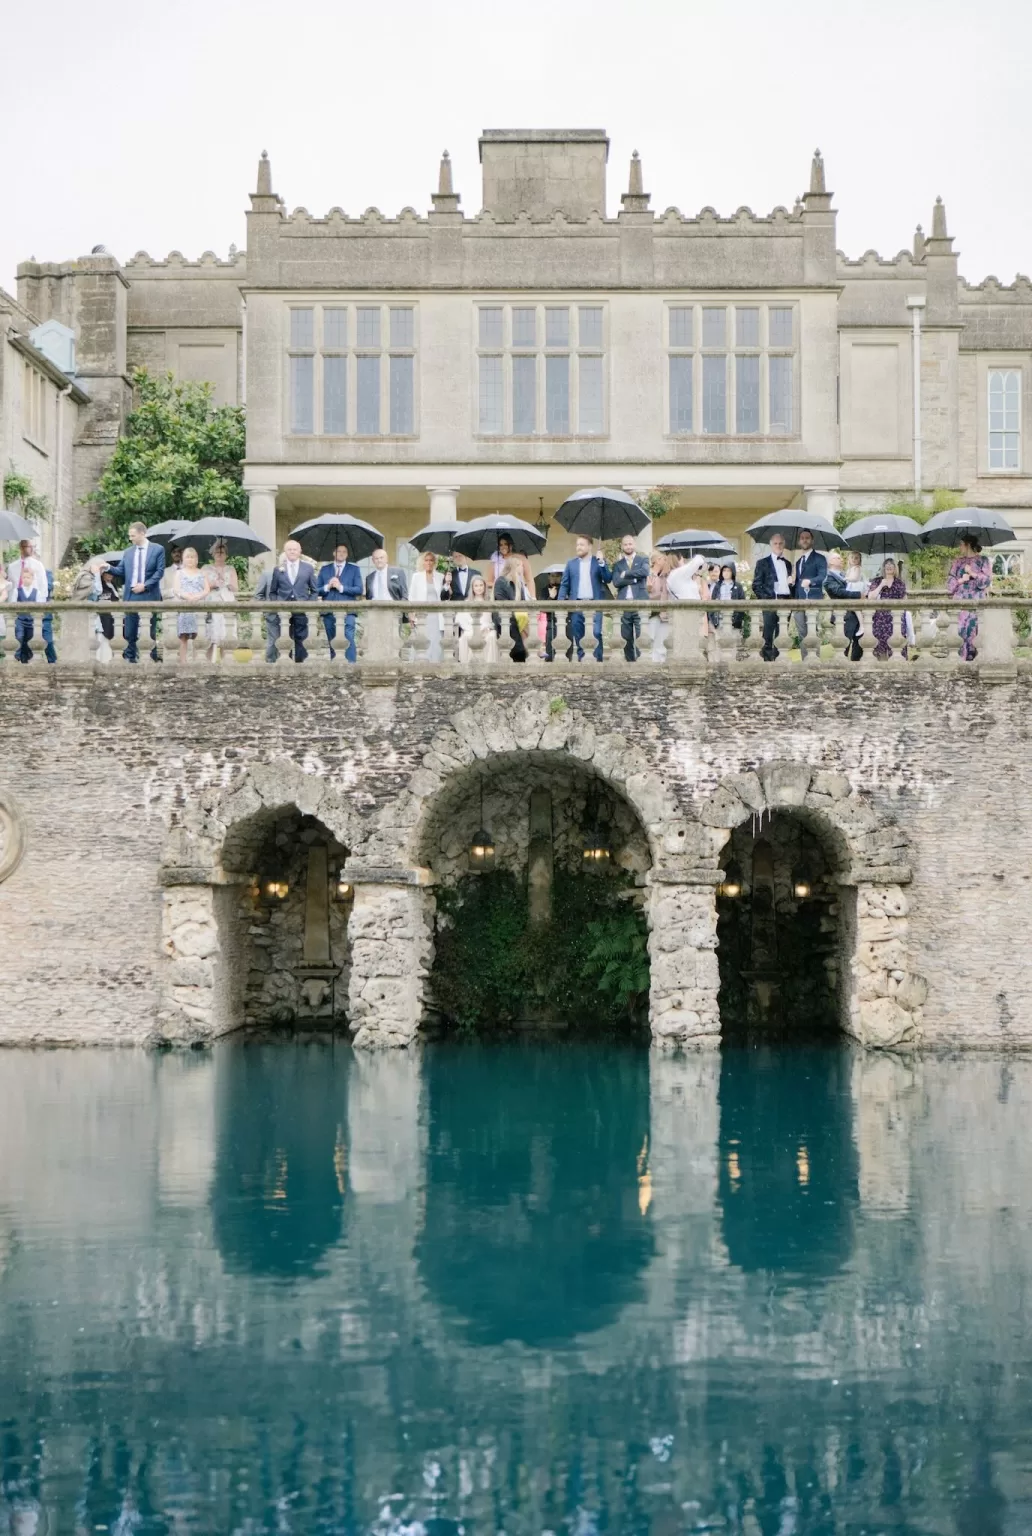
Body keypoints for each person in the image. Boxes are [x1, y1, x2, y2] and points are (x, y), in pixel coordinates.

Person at [109, 521, 165, 663]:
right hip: (131, 595)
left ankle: (150, 659)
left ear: (142, 533)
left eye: (133, 535)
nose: (131, 538)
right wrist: (106, 567)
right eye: (130, 536)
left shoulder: (158, 549)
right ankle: (130, 658)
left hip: (149, 594)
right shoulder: (128, 552)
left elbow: (159, 572)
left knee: (149, 631)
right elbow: (120, 571)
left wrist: (145, 585)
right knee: (129, 631)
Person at [557, 535, 611, 661]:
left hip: (595, 604)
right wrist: (560, 603)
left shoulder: (597, 562)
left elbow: (608, 578)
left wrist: (602, 562)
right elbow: (565, 584)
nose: (578, 547)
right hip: (577, 605)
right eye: (577, 545)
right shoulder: (571, 564)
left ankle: (598, 662)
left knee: (596, 633)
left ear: (590, 546)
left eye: (581, 545)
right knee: (579, 636)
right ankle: (583, 663)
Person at [266, 538, 319, 662]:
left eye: (295, 549)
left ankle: (301, 665)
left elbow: (314, 590)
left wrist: (308, 604)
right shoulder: (278, 569)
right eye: (289, 549)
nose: (292, 551)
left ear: (300, 551)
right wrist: (277, 605)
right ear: (285, 551)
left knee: (301, 638)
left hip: (302, 609)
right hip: (284, 610)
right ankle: (286, 664)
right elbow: (273, 592)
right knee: (285, 638)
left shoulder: (308, 568)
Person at [947, 536, 992, 661]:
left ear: (968, 544)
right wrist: (961, 580)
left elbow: (986, 581)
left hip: (976, 603)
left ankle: (976, 663)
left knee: (976, 633)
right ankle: (961, 663)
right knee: (960, 633)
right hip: (960, 604)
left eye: (961, 544)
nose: (959, 547)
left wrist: (972, 573)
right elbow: (950, 586)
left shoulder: (983, 560)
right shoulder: (957, 562)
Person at [316, 542, 362, 661]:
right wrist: (327, 586)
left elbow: (359, 589)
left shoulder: (354, 569)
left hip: (348, 611)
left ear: (347, 555)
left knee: (348, 638)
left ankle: (351, 665)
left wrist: (341, 587)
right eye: (338, 551)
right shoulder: (325, 569)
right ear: (333, 553)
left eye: (344, 552)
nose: (341, 554)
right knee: (332, 640)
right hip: (328, 611)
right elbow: (316, 590)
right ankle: (335, 667)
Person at [752, 532, 793, 662]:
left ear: (784, 545)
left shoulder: (788, 564)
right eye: (775, 543)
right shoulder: (762, 563)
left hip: (786, 601)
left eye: (781, 543)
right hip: (770, 601)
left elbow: (790, 584)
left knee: (782, 633)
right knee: (768, 634)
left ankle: (780, 660)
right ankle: (768, 662)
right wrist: (767, 599)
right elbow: (756, 585)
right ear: (771, 545)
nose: (778, 546)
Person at [610, 534, 651, 661]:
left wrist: (626, 574)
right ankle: (630, 662)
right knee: (626, 636)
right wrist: (634, 579)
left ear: (634, 545)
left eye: (630, 543)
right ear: (622, 546)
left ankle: (641, 661)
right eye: (625, 544)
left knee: (641, 634)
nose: (628, 546)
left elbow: (644, 572)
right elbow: (616, 582)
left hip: (639, 602)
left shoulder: (643, 559)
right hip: (624, 604)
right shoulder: (618, 565)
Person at [172, 546, 211, 663]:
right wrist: (187, 596)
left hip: (198, 607)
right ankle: (183, 662)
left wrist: (198, 597)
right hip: (185, 607)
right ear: (183, 559)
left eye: (192, 557)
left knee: (198, 636)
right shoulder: (179, 573)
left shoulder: (202, 573)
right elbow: (176, 589)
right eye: (187, 557)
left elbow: (207, 589)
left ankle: (196, 661)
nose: (190, 559)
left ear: (196, 559)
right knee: (183, 637)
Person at [792, 528, 828, 652]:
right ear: (799, 541)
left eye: (807, 538)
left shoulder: (820, 558)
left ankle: (814, 661)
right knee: (802, 633)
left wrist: (811, 581)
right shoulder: (798, 562)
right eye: (802, 538)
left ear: (812, 540)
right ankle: (804, 661)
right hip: (799, 601)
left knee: (812, 632)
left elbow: (822, 576)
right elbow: (798, 582)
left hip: (813, 599)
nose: (804, 540)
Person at [203, 539, 239, 661]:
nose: (219, 554)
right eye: (217, 551)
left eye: (222, 552)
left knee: (225, 634)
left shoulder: (231, 568)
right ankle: (208, 663)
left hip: (227, 601)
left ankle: (226, 662)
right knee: (211, 635)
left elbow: (236, 588)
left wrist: (227, 582)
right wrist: (213, 584)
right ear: (213, 554)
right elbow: (202, 586)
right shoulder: (206, 568)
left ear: (226, 555)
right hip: (211, 602)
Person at [493, 555, 532, 663]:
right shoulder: (501, 581)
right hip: (505, 617)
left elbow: (523, 602)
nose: (522, 568)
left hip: (517, 616)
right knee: (519, 621)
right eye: (520, 565)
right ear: (513, 567)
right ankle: (531, 649)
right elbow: (501, 600)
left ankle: (529, 648)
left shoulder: (519, 583)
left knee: (525, 618)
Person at [868, 557, 907, 660]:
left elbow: (904, 601)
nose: (889, 566)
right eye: (887, 564)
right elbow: (871, 597)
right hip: (880, 619)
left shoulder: (900, 583)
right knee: (879, 647)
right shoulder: (876, 581)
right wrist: (881, 585)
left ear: (895, 568)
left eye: (892, 564)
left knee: (897, 645)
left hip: (895, 619)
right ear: (883, 567)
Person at [409, 550, 445, 660]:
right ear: (423, 562)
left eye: (431, 560)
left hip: (436, 616)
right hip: (422, 615)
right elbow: (412, 597)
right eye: (426, 560)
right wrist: (411, 614)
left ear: (434, 563)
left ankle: (435, 665)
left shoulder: (440, 577)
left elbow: (445, 596)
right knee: (422, 640)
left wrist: (448, 583)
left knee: (435, 640)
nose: (429, 563)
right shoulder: (416, 576)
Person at [456, 574, 497, 662]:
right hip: (472, 629)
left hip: (486, 629)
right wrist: (473, 629)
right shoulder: (467, 602)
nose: (479, 588)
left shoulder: (489, 601)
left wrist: (488, 628)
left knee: (492, 636)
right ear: (472, 588)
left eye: (481, 585)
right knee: (467, 637)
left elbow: (492, 620)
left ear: (484, 586)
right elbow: (460, 619)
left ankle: (490, 665)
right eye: (476, 586)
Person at [646, 552, 672, 662]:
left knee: (662, 643)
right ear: (657, 560)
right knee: (651, 640)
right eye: (664, 560)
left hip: (665, 613)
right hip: (653, 613)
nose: (666, 562)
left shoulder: (666, 576)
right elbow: (648, 594)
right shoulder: (649, 574)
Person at [711, 561, 746, 630]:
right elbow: (712, 603)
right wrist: (713, 619)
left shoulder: (738, 586)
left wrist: (738, 619)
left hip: (733, 619)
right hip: (719, 619)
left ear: (732, 572)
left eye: (728, 571)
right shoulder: (718, 586)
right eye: (724, 570)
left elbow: (743, 603)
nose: (726, 573)